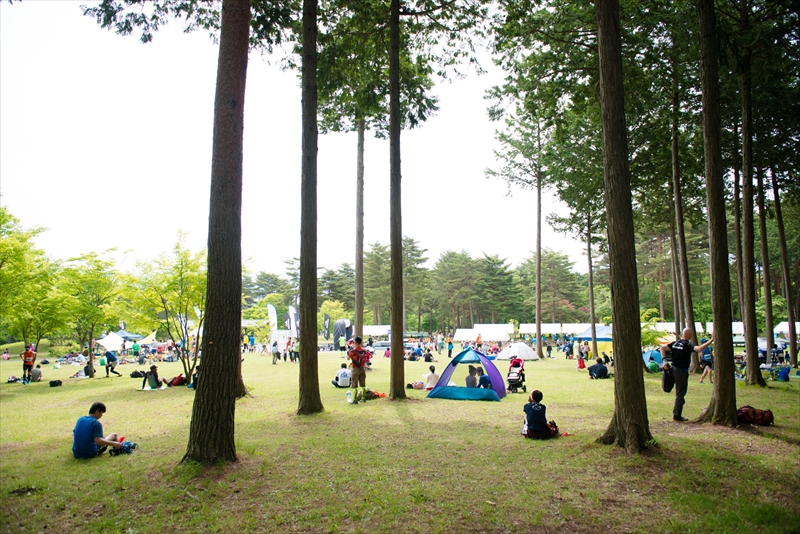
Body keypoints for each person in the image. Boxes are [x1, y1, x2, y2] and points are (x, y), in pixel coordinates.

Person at [660, 328, 713, 422]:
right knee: (680, 394)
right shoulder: (688, 344)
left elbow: (662, 347)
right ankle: (677, 416)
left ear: (682, 334)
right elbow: (699, 349)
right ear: (690, 335)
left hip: (672, 369)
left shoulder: (675, 343)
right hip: (681, 371)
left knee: (671, 389)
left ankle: (676, 414)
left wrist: (664, 360)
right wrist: (711, 340)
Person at [348, 336, 368, 403]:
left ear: (355, 342)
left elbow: (348, 358)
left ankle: (355, 399)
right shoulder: (364, 350)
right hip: (362, 368)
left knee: (354, 384)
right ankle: (363, 398)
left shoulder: (352, 351)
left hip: (355, 369)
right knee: (363, 384)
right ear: (361, 342)